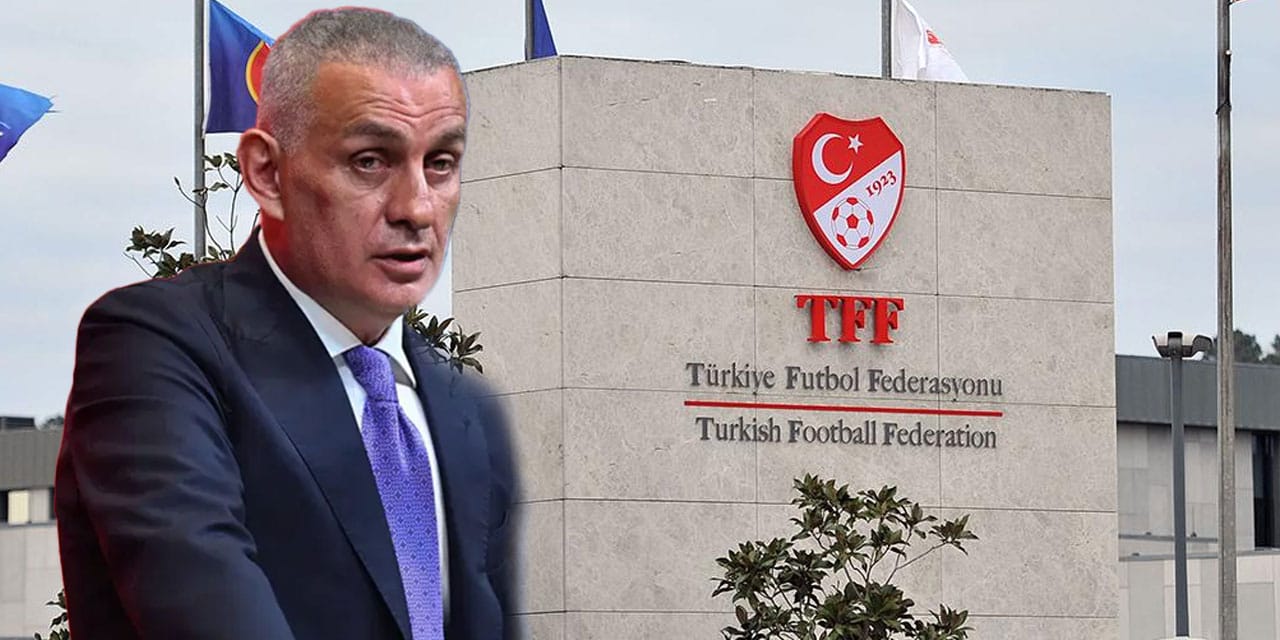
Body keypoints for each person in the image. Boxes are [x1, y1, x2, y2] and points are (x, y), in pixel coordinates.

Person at [54, 8, 517, 640]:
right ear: (267, 174)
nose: (417, 208)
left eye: (440, 162)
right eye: (369, 161)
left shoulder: (461, 414)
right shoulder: (151, 347)